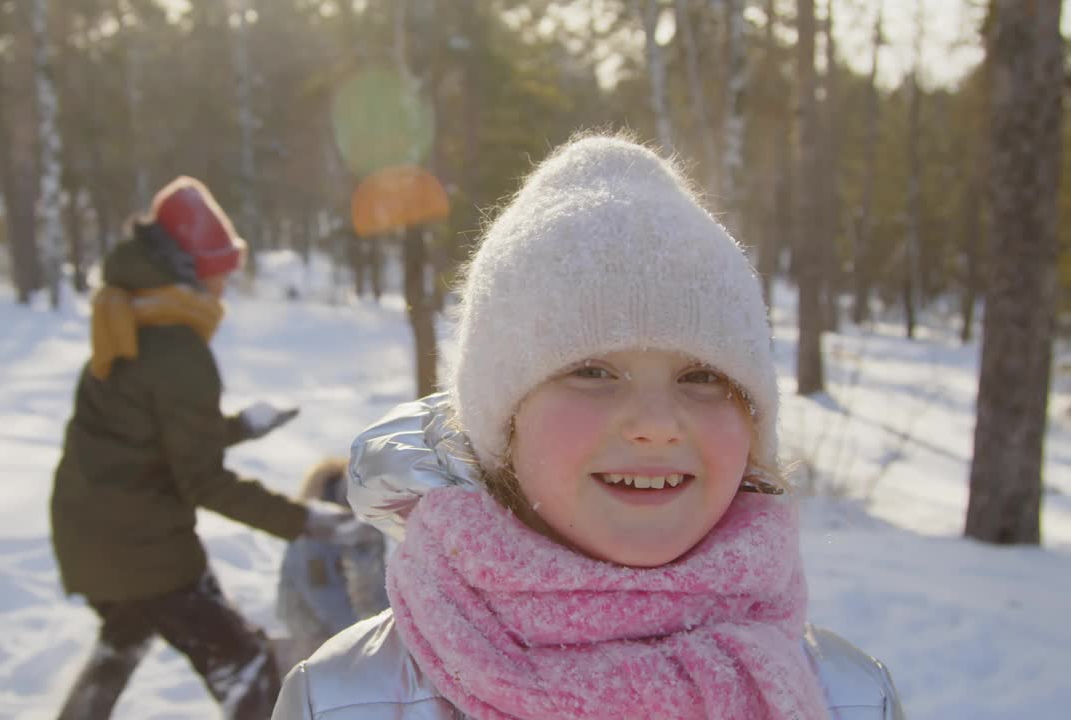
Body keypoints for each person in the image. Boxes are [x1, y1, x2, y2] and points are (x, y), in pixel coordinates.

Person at [272, 135, 905, 719]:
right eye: (594, 372)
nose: (656, 425)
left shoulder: (851, 697)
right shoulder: (343, 702)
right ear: (504, 424)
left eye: (703, 377)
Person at [50, 176, 354, 720]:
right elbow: (202, 481)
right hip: (144, 548)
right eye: (220, 266)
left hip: (88, 533)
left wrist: (241, 426)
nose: (227, 281)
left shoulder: (127, 315)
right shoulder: (177, 347)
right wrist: (309, 522)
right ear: (189, 267)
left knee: (121, 645)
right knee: (246, 671)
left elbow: (144, 435)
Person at [276, 456, 389, 672]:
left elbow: (376, 587)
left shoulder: (361, 531)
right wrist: (363, 643)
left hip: (351, 641)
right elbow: (324, 595)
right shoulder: (314, 536)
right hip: (317, 644)